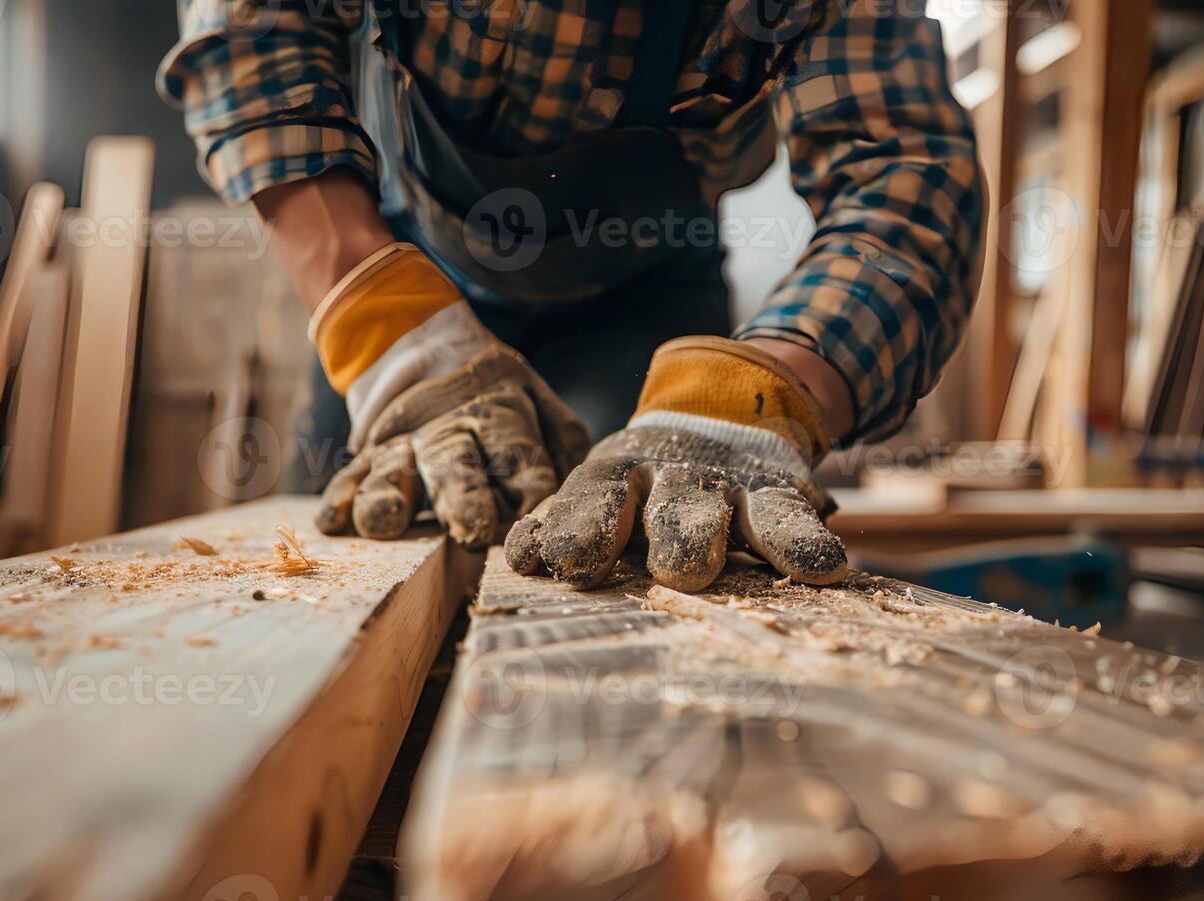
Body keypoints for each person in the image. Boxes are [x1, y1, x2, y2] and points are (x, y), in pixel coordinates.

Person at [159, 0, 984, 593]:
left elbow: (902, 173)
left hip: (647, 298)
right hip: (397, 268)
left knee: (644, 590)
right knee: (337, 580)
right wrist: (386, 330)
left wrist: (751, 398)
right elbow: (253, 35)